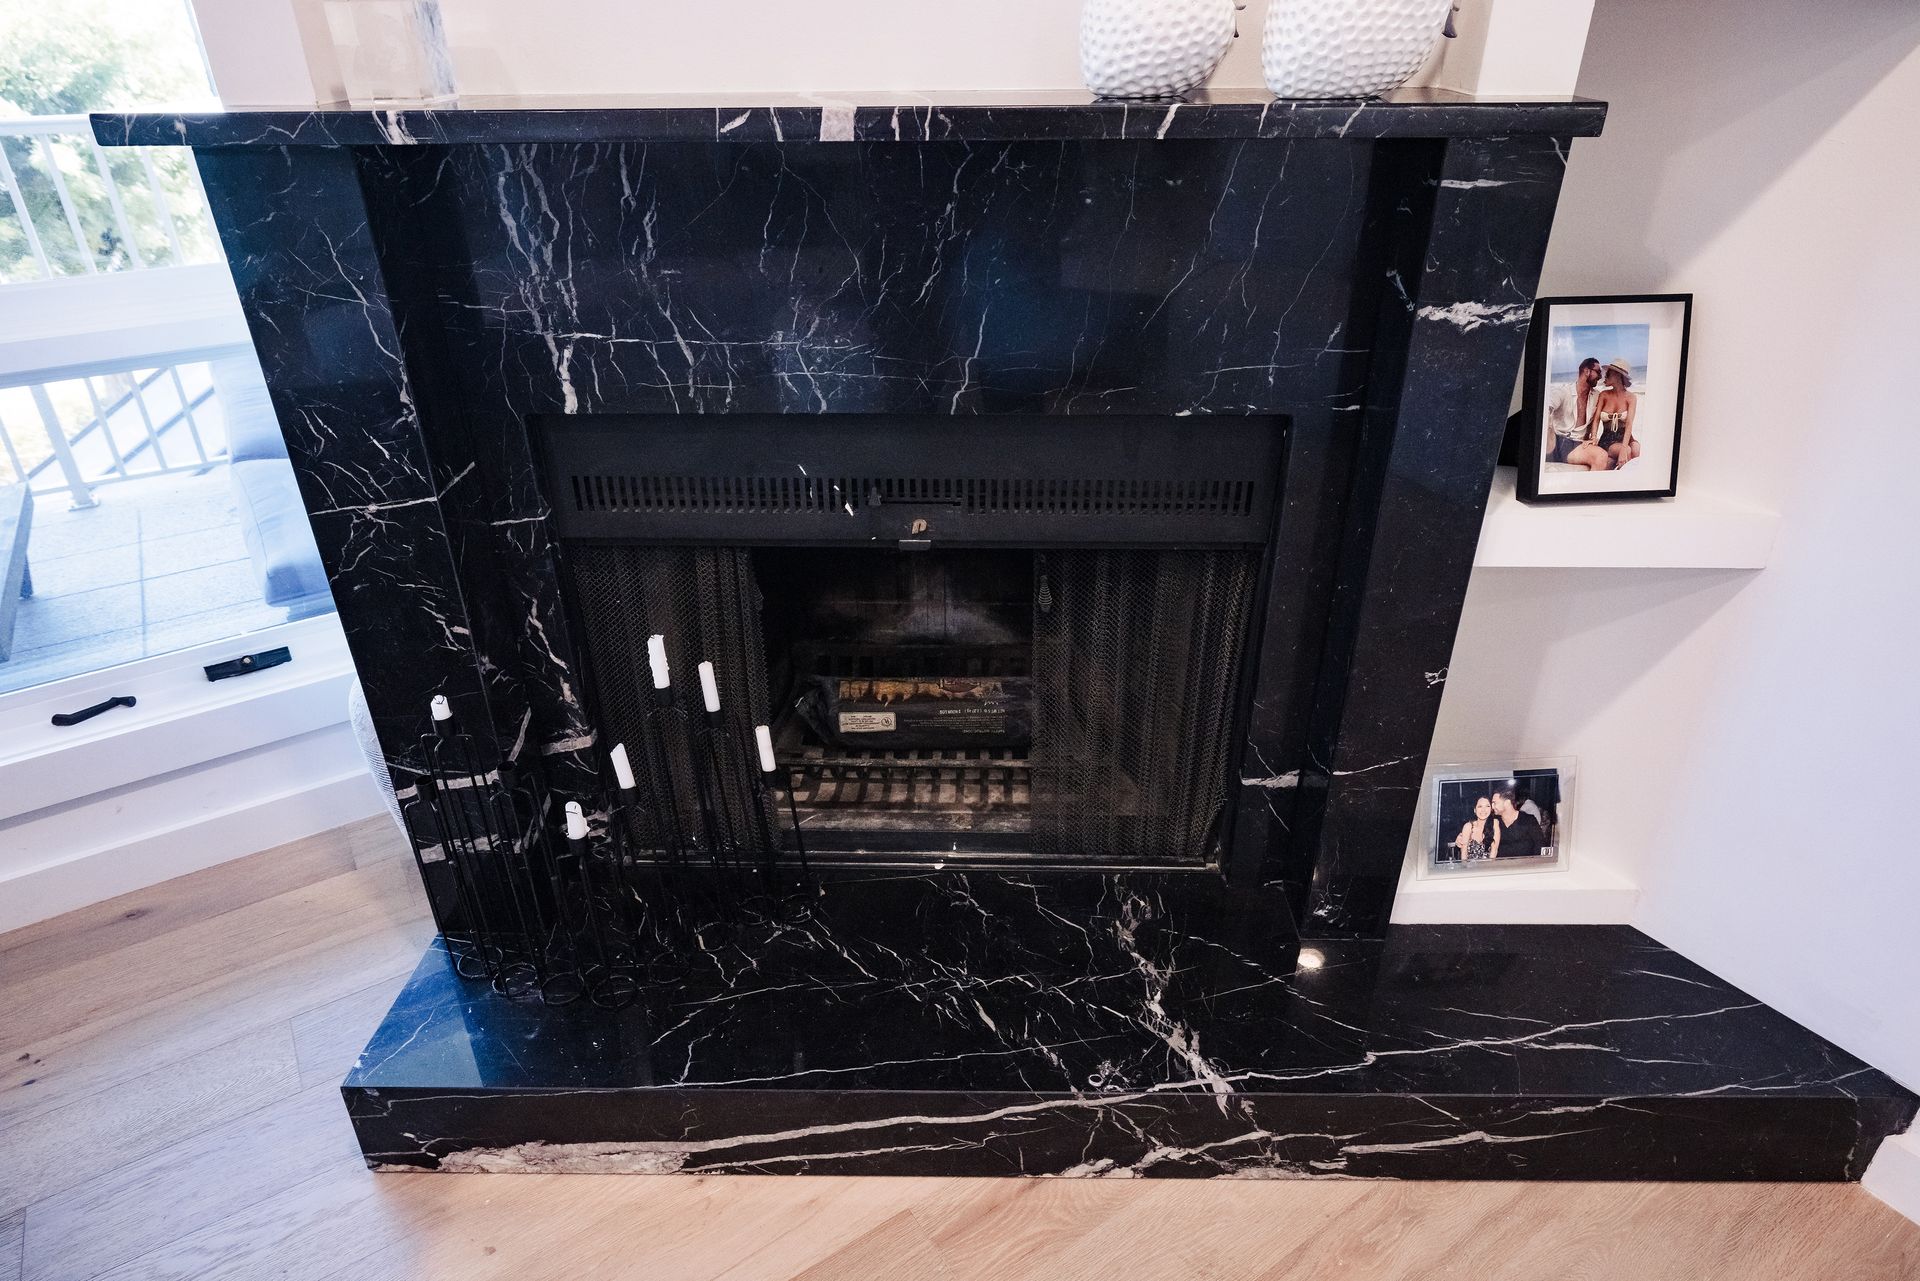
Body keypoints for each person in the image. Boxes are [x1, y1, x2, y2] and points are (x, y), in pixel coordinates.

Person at [1543, 356, 1611, 470]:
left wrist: (1593, 437)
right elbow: (1546, 406)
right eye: (1598, 372)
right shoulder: (1564, 392)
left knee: (1612, 458)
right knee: (1600, 456)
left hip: (1579, 442)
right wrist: (1548, 428)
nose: (1600, 376)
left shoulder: (1596, 396)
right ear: (1586, 371)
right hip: (1561, 442)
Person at [1592, 357, 1641, 471]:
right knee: (1627, 451)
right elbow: (1596, 420)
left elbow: (1629, 424)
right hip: (1608, 439)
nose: (1605, 376)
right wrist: (1594, 437)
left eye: (1608, 373)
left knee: (1636, 449)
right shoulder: (1604, 395)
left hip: (1626, 437)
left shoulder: (1631, 398)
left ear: (1618, 375)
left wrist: (1624, 447)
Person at [1490, 788, 1546, 860]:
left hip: (1525, 867)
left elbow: (1540, 845)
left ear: (1507, 802)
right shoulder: (1495, 822)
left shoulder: (1528, 820)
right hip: (1502, 867)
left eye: (1495, 803)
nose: (1492, 806)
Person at [1452, 796, 1500, 862]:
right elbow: (1464, 853)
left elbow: (1494, 851)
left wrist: (1488, 869)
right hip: (1470, 869)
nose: (1483, 810)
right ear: (1475, 810)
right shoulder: (1468, 826)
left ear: (1491, 809)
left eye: (1487, 806)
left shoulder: (1494, 824)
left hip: (1488, 868)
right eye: (1480, 806)